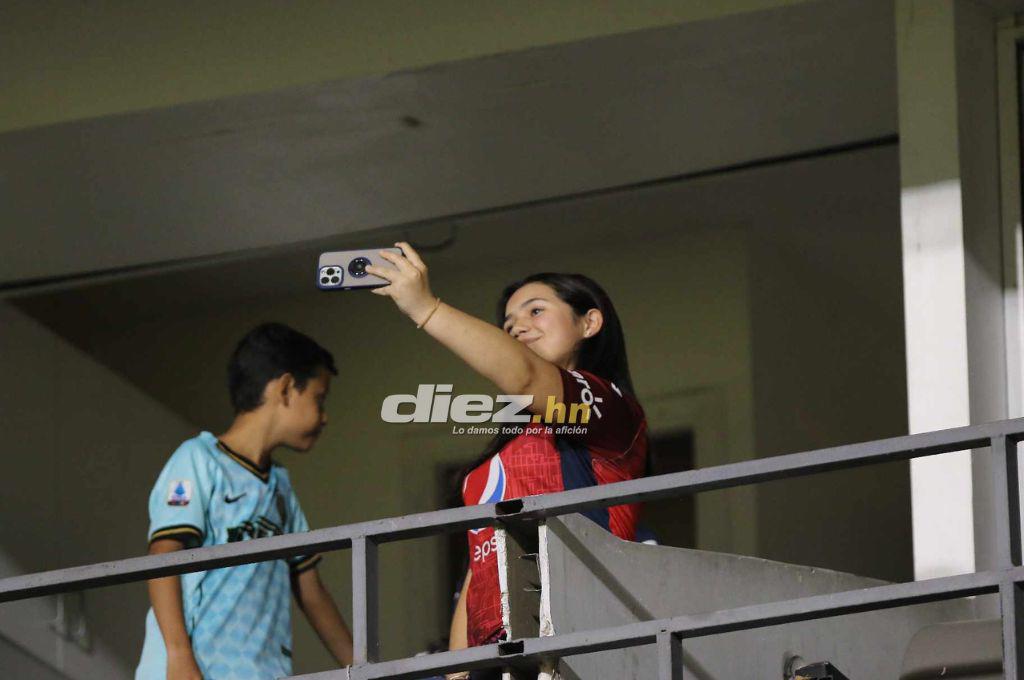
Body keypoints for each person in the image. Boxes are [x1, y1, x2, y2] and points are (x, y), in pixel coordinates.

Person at [367, 243, 648, 680]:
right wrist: (457, 672)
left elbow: (525, 376)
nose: (517, 327)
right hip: (498, 656)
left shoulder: (611, 408)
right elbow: (478, 565)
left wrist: (425, 308)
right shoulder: (503, 450)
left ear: (589, 322)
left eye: (535, 311)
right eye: (509, 323)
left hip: (581, 642)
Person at [135, 323, 354, 680]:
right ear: (285, 388)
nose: (325, 416)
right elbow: (163, 557)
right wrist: (178, 656)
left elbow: (311, 590)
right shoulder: (199, 459)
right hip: (195, 671)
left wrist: (369, 668)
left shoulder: (281, 487)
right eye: (319, 398)